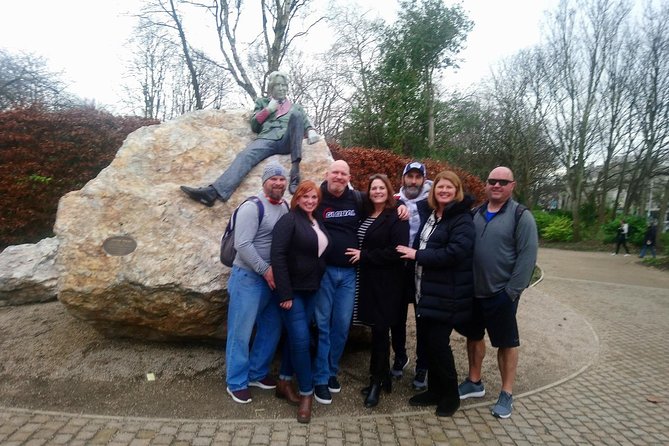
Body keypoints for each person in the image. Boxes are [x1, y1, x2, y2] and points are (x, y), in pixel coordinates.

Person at [457, 166, 538, 419]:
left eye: (503, 182)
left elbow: (527, 258)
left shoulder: (521, 216)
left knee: (506, 342)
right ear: (486, 184)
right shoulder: (475, 214)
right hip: (474, 291)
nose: (497, 185)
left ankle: (506, 392)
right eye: (492, 181)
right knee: (473, 336)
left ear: (512, 186)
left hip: (501, 294)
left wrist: (511, 292)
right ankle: (474, 381)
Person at [396, 170, 475, 417]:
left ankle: (450, 396)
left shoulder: (461, 219)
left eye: (449, 188)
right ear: (433, 190)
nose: (443, 191)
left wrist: (416, 255)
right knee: (428, 344)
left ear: (457, 191)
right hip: (425, 291)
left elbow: (454, 253)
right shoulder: (432, 215)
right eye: (440, 188)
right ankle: (434, 390)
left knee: (439, 345)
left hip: (446, 294)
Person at [180, 71, 320, 204]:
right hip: (267, 139)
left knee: (296, 116)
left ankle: (295, 172)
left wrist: (311, 130)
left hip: (287, 141)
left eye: (284, 85)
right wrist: (268, 110)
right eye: (278, 85)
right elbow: (255, 126)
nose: (282, 88)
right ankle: (214, 192)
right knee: (245, 155)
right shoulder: (262, 103)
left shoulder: (296, 107)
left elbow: (304, 122)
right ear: (271, 88)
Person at [224, 163, 289, 404]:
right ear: (264, 182)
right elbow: (242, 244)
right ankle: (236, 381)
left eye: (282, 179)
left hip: (273, 279)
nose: (278, 183)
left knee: (272, 326)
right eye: (274, 179)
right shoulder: (252, 207)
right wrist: (265, 270)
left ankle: (257, 372)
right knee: (240, 332)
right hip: (248, 278)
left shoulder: (284, 206)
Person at [345, 174, 409, 408]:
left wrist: (365, 256)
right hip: (367, 281)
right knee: (377, 331)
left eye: (382, 188)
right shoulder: (365, 212)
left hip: (387, 282)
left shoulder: (396, 216)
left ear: (389, 191)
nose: (377, 191)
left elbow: (398, 251)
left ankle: (376, 382)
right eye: (374, 188)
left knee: (381, 331)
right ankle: (383, 380)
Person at [271, 180, 330, 423]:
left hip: (311, 290)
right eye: (306, 196)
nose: (310, 201)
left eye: (314, 197)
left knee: (297, 339)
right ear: (297, 198)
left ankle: (284, 381)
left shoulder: (315, 220)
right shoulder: (289, 220)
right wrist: (284, 293)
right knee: (302, 342)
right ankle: (307, 393)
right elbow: (278, 255)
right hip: (292, 292)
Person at [311, 160, 363, 405]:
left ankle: (331, 370)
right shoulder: (317, 198)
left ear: (348, 177)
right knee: (322, 325)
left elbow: (384, 205)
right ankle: (320, 378)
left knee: (341, 325)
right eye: (335, 172)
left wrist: (402, 208)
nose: (339, 177)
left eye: (343, 173)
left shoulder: (357, 199)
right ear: (327, 174)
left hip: (349, 274)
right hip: (325, 273)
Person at [392, 161, 433, 390]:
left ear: (424, 180)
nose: (414, 181)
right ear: (403, 178)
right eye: (410, 177)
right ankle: (400, 356)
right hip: (399, 268)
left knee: (422, 319)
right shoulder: (394, 201)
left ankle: (422, 365)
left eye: (418, 177)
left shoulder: (432, 203)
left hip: (422, 268)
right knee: (396, 317)